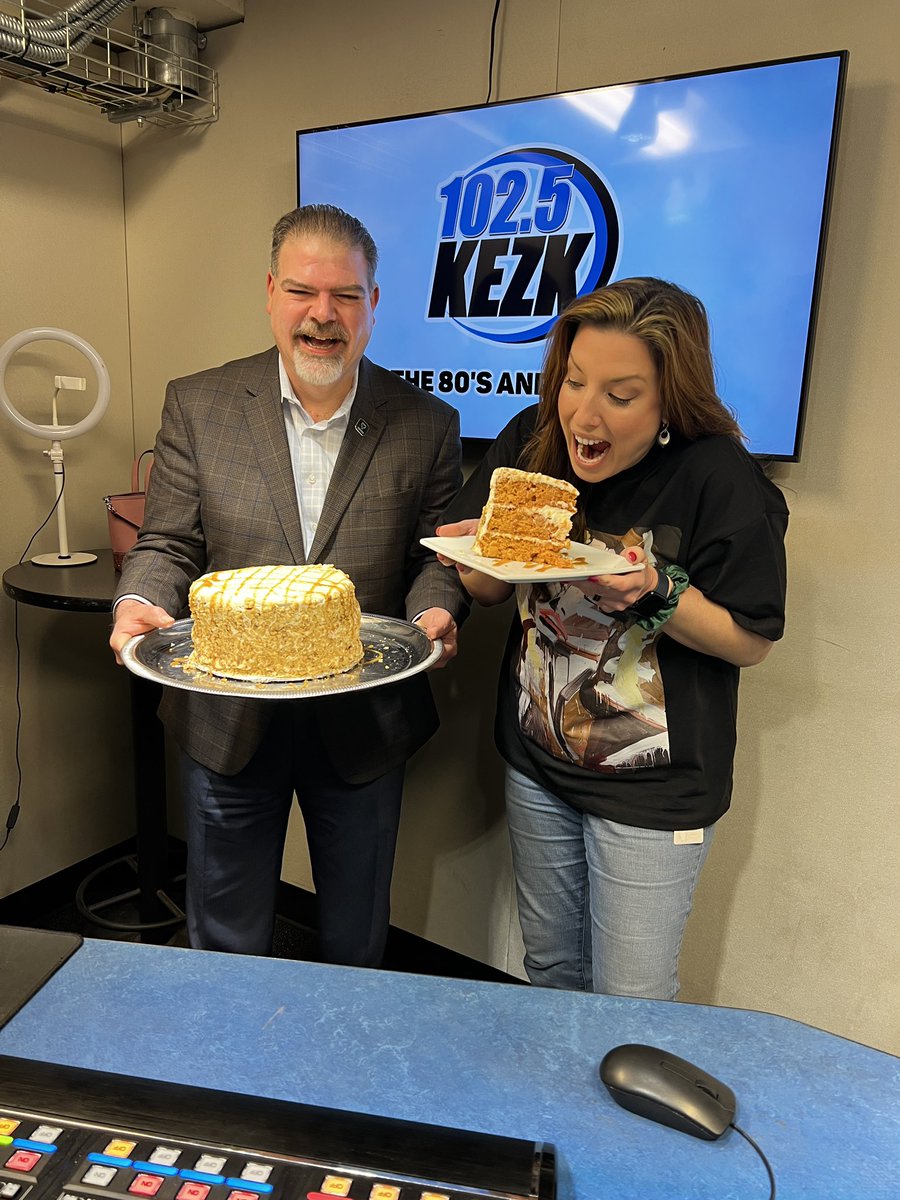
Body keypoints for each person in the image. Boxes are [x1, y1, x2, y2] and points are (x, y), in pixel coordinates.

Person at [110, 203, 469, 967]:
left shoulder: (427, 422)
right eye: (303, 291)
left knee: (355, 935)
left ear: (373, 303)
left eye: (345, 295)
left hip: (365, 720)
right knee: (226, 933)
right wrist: (139, 600)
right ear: (272, 292)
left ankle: (342, 1043)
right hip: (226, 717)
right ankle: (230, 1042)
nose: (322, 314)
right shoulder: (199, 405)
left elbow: (435, 559)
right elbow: (168, 541)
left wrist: (436, 611)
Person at [437, 277, 788, 1001]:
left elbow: (750, 641)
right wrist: (479, 554)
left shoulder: (716, 475)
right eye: (574, 381)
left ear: (668, 403)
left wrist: (655, 591)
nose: (583, 414)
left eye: (620, 396)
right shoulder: (534, 439)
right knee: (552, 975)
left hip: (655, 792)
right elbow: (490, 591)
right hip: (538, 765)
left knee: (632, 998)